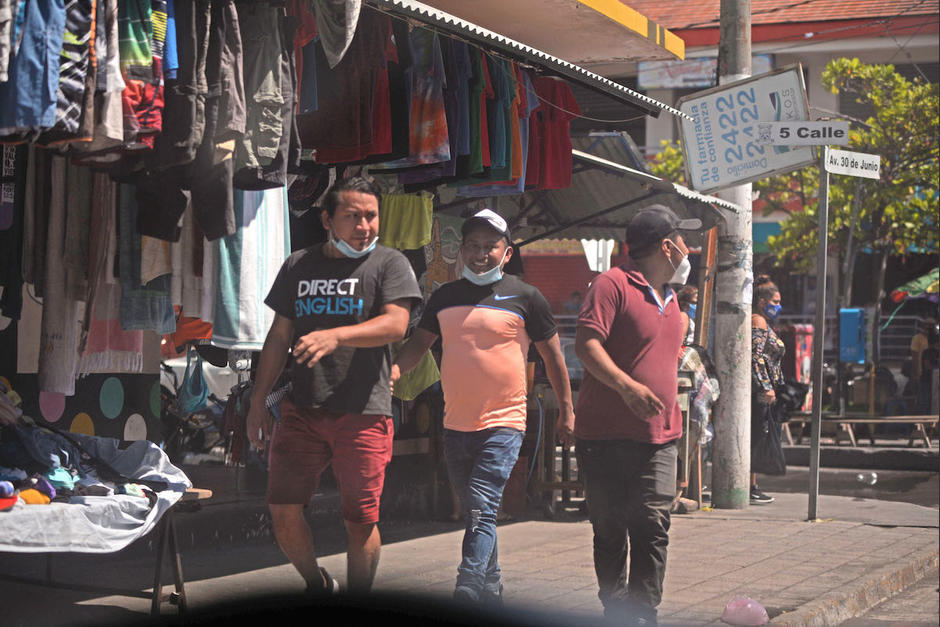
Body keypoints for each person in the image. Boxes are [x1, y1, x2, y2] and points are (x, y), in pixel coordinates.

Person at [245, 177, 422, 595]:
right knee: (283, 509)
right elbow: (278, 337)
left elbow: (397, 324)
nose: (364, 226)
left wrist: (337, 335)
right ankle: (316, 582)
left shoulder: (390, 263)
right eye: (352, 216)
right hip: (302, 409)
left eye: (371, 216)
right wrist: (256, 401)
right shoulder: (298, 265)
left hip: (363, 411)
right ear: (327, 219)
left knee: (359, 519)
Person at [391, 209, 575, 605]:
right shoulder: (444, 296)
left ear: (506, 253)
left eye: (489, 246)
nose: (479, 253)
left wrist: (568, 409)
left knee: (481, 506)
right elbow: (418, 346)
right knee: (479, 509)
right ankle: (491, 590)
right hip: (456, 423)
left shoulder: (526, 296)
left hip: (505, 422)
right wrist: (390, 372)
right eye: (472, 246)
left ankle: (468, 586)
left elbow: (554, 359)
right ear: (461, 252)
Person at [574, 204, 701, 626]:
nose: (690, 249)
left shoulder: (674, 302)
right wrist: (627, 388)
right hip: (603, 435)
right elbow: (587, 346)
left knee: (651, 524)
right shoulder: (612, 284)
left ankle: (643, 614)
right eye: (684, 241)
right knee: (609, 531)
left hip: (659, 437)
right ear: (666, 246)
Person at [750, 275, 786, 505]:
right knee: (755, 437)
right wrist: (765, 387)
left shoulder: (764, 322)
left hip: (765, 390)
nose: (778, 306)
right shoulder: (758, 321)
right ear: (762, 302)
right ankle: (749, 486)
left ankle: (752, 484)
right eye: (775, 301)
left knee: (758, 437)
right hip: (758, 392)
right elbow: (756, 357)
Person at [910, 317, 939, 414]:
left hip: (935, 377)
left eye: (932, 325)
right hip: (923, 373)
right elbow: (915, 357)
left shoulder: (935, 338)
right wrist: (916, 373)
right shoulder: (918, 338)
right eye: (927, 324)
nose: (929, 327)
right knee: (923, 400)